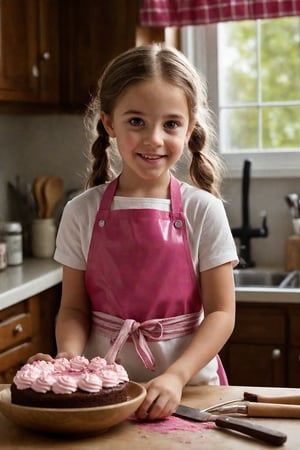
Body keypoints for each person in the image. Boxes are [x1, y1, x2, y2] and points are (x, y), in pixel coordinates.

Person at [31, 44, 238, 420]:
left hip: (191, 389)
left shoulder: (203, 211)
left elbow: (222, 312)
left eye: (171, 124)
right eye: (136, 121)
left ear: (190, 127)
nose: (154, 139)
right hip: (104, 393)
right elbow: (74, 308)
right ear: (109, 123)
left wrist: (176, 376)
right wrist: (68, 360)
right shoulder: (81, 212)